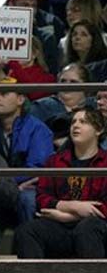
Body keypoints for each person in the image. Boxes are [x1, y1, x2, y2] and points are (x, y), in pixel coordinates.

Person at [14, 106, 107, 258]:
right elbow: (42, 198)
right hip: (61, 226)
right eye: (74, 122)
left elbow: (104, 208)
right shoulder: (55, 161)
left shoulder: (105, 163)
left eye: (83, 122)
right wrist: (71, 206)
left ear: (98, 130)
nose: (76, 125)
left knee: (88, 228)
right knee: (27, 230)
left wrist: (69, 216)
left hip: (97, 227)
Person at [0, 90, 54, 224]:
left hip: (24, 186)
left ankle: (30, 240)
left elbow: (37, 167)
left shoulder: (37, 128)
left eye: (3, 94)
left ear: (20, 100)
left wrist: (7, 183)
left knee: (27, 199)